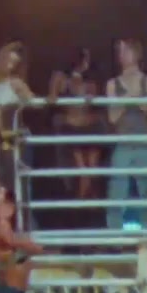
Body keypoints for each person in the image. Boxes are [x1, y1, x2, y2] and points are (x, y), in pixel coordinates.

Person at [105, 37, 147, 230]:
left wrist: (132, 100)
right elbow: (113, 117)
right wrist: (135, 100)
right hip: (124, 143)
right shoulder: (112, 84)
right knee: (116, 192)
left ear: (136, 54)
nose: (121, 55)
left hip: (146, 144)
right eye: (120, 51)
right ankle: (115, 237)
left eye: (125, 50)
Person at [48, 47, 102, 201]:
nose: (88, 62)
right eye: (86, 58)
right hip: (71, 126)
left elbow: (93, 97)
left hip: (89, 126)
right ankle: (81, 201)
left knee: (92, 168)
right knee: (82, 169)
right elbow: (52, 98)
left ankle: (90, 200)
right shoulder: (59, 77)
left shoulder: (90, 79)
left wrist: (88, 93)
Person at [0, 41, 39, 192]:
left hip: (17, 135)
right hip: (4, 138)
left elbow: (35, 103)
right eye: (9, 60)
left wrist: (24, 101)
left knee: (20, 185)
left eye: (15, 62)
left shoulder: (16, 83)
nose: (10, 65)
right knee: (4, 184)